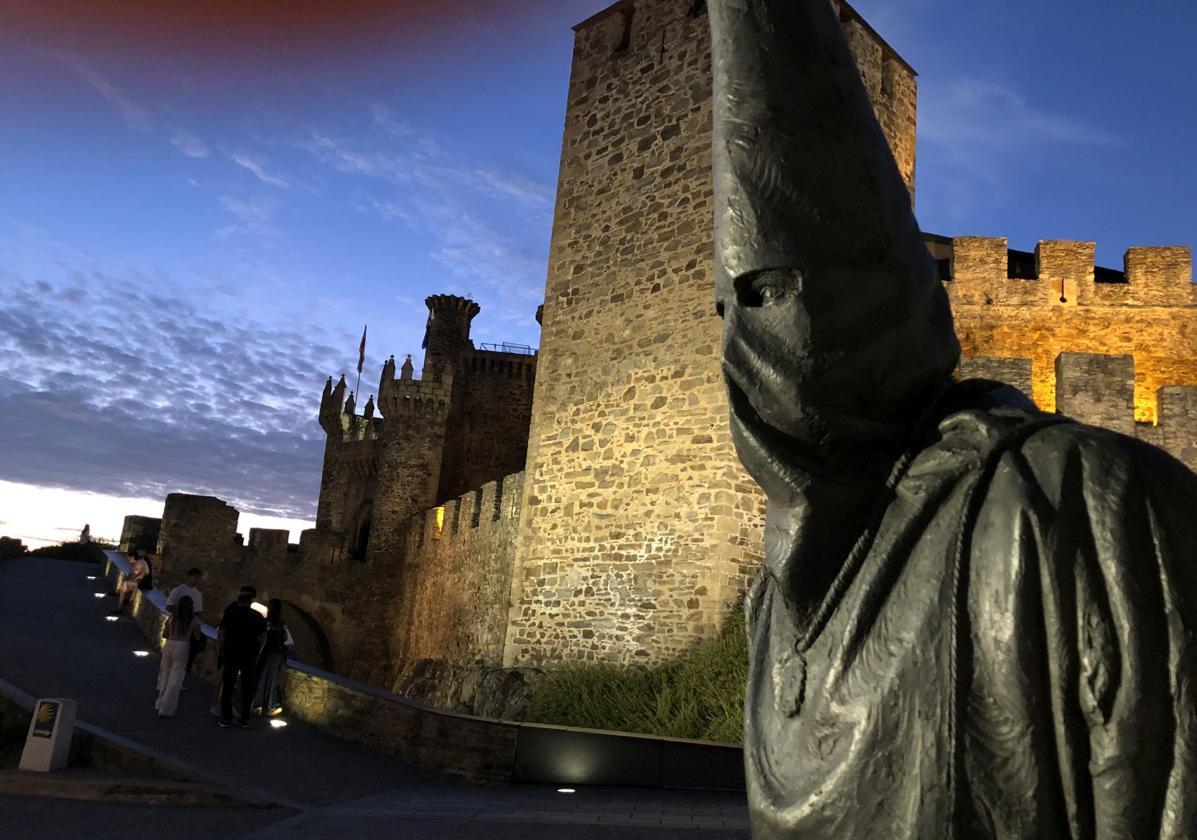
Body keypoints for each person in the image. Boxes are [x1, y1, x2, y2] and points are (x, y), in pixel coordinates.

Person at [707, 1, 1197, 837]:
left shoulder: (1087, 497)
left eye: (803, 287)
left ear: (905, 300)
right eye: (744, 301)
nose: (784, 328)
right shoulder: (772, 604)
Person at [217, 585, 265, 729]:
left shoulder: (230, 613)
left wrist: (221, 650)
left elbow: (222, 633)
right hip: (249, 655)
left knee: (228, 685)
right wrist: (257, 650)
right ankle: (245, 718)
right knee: (247, 687)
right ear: (250, 601)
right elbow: (263, 636)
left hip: (231, 653)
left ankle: (226, 718)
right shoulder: (257, 616)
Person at [155, 595, 198, 718]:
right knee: (176, 676)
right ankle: (167, 707)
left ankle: (160, 702)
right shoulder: (194, 620)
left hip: (170, 644)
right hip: (183, 645)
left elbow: (165, 634)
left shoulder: (172, 618)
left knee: (165, 673)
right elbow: (197, 637)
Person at [252, 599, 290, 716]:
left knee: (261, 676)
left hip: (266, 652)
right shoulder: (280, 624)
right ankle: (269, 706)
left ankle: (257, 705)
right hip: (275, 654)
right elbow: (284, 638)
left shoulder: (267, 622)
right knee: (271, 678)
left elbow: (261, 636)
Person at [166, 568, 206, 678]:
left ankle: (181, 677)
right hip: (179, 626)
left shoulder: (198, 594)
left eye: (199, 578)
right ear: (189, 576)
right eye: (195, 577)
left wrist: (197, 623)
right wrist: (182, 614)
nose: (197, 580)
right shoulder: (178, 590)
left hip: (191, 627)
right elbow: (169, 606)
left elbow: (198, 611)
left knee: (189, 655)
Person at [111, 551, 149, 616]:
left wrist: (134, 579)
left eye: (129, 559)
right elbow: (131, 575)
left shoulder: (140, 563)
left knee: (124, 585)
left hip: (142, 582)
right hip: (136, 581)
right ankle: (120, 605)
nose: (128, 560)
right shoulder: (135, 563)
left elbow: (144, 574)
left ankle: (119, 608)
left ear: (133, 557)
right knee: (124, 586)